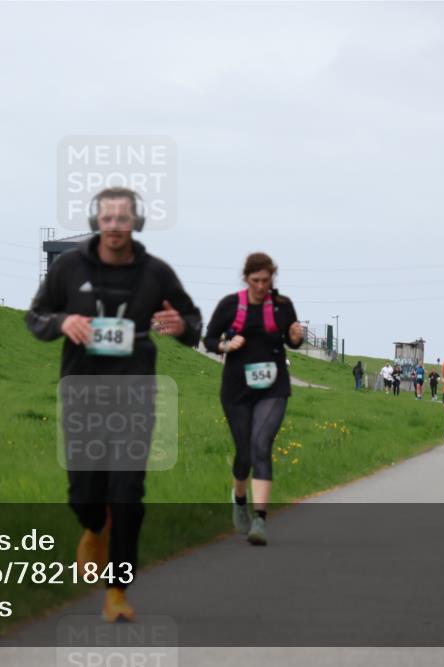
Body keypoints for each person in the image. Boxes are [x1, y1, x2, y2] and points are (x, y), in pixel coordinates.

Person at [26, 186, 202, 622]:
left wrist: (181, 325)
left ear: (136, 222)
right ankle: (91, 526)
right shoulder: (68, 268)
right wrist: (64, 320)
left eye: (123, 219)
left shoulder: (156, 273)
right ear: (95, 222)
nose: (115, 227)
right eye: (107, 219)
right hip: (83, 393)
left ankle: (118, 591)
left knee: (127, 496)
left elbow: (193, 323)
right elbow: (36, 317)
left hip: (134, 395)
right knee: (84, 494)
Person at [203, 252, 304, 547]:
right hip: (236, 389)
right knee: (244, 452)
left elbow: (291, 339)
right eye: (255, 280)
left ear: (272, 277)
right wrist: (225, 344)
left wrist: (296, 336)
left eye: (266, 280)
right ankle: (239, 499)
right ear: (246, 278)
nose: (261, 285)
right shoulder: (230, 305)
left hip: (273, 386)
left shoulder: (283, 306)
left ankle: (260, 518)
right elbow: (209, 340)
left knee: (261, 444)